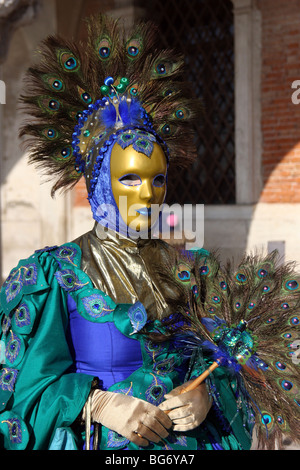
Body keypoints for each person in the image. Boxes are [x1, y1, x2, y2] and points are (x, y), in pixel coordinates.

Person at [0, 14, 254, 450]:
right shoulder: (54, 276)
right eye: (131, 180)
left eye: (158, 180)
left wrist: (207, 394)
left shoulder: (192, 270)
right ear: (101, 183)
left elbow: (225, 362)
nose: (149, 195)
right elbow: (22, 393)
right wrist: (96, 404)